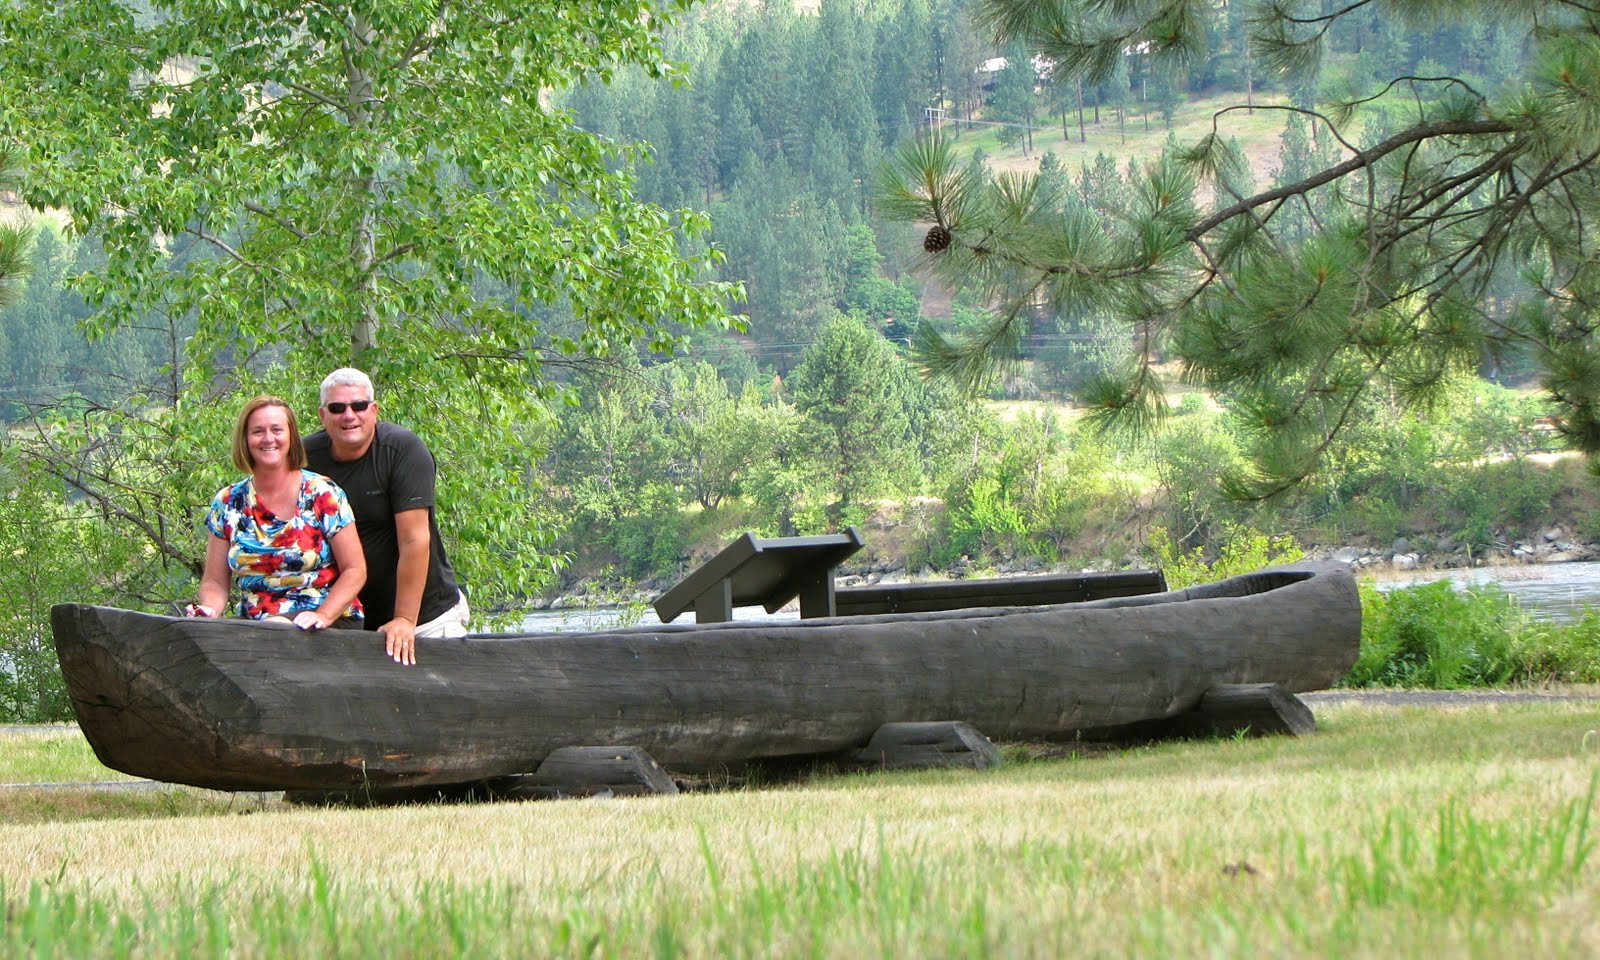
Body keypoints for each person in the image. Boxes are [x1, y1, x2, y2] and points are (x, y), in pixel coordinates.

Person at [304, 368, 468, 666]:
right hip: (347, 622)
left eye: (359, 405)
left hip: (425, 618)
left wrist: (404, 619)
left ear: (374, 410)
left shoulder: (403, 451)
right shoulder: (305, 458)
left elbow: (415, 539)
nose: (349, 415)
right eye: (337, 408)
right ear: (322, 415)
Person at [187, 395, 367, 631]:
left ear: (291, 437)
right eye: (258, 431)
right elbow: (215, 581)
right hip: (256, 628)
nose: (268, 438)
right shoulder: (227, 502)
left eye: (277, 430)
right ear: (245, 439)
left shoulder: (322, 494)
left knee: (274, 632)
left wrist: (323, 615)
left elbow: (355, 570)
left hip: (325, 623)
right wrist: (209, 610)